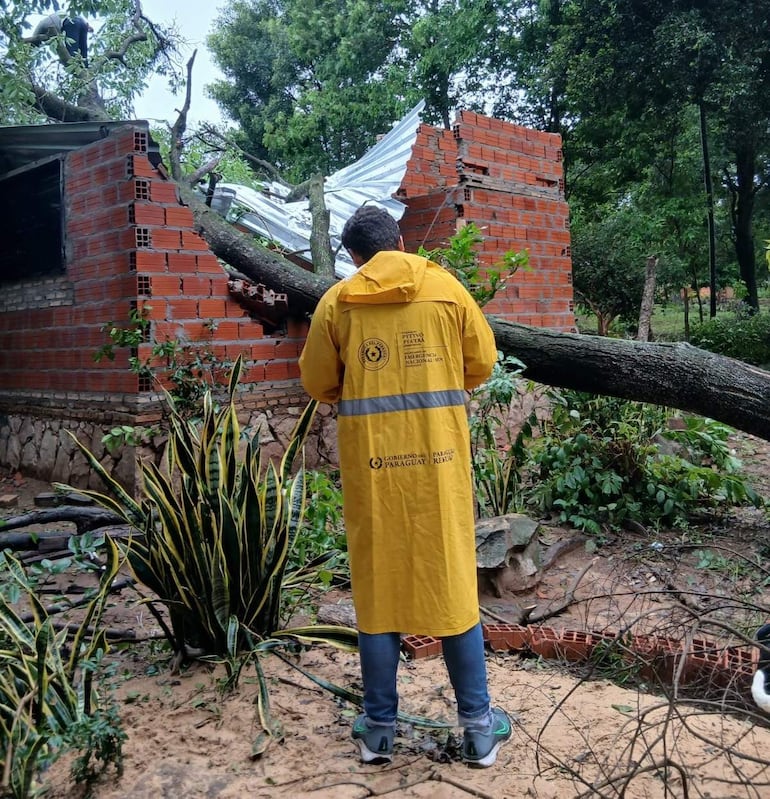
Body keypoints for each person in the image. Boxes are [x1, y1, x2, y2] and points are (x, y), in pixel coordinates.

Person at [299, 205, 512, 768]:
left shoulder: (338, 303)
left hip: (374, 474)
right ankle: (478, 731)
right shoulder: (446, 290)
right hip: (438, 470)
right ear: (401, 241)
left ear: (354, 257)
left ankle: (378, 733)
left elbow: (319, 381)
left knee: (378, 595)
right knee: (454, 592)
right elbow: (483, 363)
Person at [25, 7, 91, 66]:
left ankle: (75, 67)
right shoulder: (53, 18)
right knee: (83, 49)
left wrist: (28, 52)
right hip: (82, 21)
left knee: (72, 51)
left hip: (70, 22)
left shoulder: (42, 25)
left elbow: (34, 40)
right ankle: (85, 66)